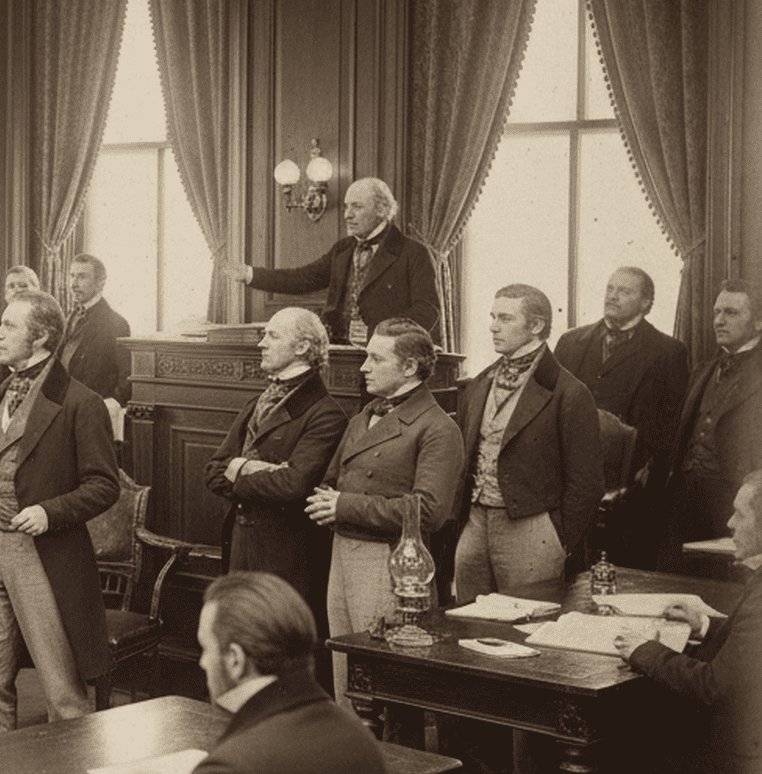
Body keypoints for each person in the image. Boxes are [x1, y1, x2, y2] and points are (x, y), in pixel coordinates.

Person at [0, 290, 118, 732]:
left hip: (43, 554)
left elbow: (104, 486)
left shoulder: (82, 403)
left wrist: (50, 512)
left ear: (41, 337)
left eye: (9, 326)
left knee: (62, 688)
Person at [306, 318, 462, 704]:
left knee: (380, 679)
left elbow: (428, 512)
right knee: (346, 668)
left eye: (376, 359)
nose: (363, 367)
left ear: (410, 367)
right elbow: (334, 478)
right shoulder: (363, 417)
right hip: (343, 552)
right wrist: (328, 500)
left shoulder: (438, 428)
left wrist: (344, 506)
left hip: (390, 563)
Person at [132, 572, 390, 774]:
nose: (202, 663)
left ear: (235, 659)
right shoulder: (359, 739)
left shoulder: (233, 771)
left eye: (205, 649)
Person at [453, 285, 604, 600]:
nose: (493, 326)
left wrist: (558, 538)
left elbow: (586, 484)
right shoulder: (478, 384)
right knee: (466, 622)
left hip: (533, 526)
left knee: (528, 625)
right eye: (493, 316)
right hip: (476, 520)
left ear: (536, 326)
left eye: (506, 318)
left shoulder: (569, 393)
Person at [615, 471, 762, 774]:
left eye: (740, 513)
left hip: (735, 760)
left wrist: (643, 650)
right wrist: (705, 625)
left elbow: (712, 686)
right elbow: (750, 647)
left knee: (623, 735)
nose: (729, 523)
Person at [204, 307, 346, 637]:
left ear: (302, 347)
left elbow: (293, 486)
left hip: (286, 556)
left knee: (277, 648)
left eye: (273, 335)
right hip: (241, 547)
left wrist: (238, 469)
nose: (261, 344)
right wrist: (256, 470)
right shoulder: (256, 403)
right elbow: (212, 471)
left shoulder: (326, 414)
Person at [554, 267, 690, 567]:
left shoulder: (668, 352)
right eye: (610, 288)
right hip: (569, 479)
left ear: (646, 302)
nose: (612, 296)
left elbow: (671, 428)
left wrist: (645, 479)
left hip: (631, 489)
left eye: (624, 291)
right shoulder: (570, 343)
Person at [227, 178, 441, 346]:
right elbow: (302, 278)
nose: (347, 215)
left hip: (388, 358)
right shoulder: (343, 249)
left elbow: (427, 311)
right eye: (346, 207)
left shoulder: (414, 253)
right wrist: (249, 274)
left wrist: (383, 336)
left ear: (382, 210)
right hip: (339, 353)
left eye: (356, 207)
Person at [661, 279, 762, 572]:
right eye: (717, 312)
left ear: (758, 322)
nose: (719, 320)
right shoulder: (705, 369)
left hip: (736, 503)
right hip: (686, 500)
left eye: (731, 313)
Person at [58, 253, 132, 405]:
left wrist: (107, 406)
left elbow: (127, 377)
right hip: (63, 406)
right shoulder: (69, 317)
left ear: (100, 283)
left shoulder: (116, 323)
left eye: (82, 277)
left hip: (93, 410)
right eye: (72, 276)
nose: (73, 284)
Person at [0, 265, 41, 339]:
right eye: (11, 286)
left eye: (23, 286)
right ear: (5, 294)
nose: (17, 290)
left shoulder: (47, 324)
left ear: (37, 291)